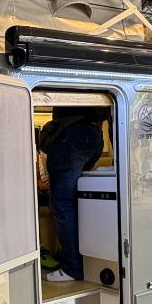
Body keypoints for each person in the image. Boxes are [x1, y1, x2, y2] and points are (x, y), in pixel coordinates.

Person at [39, 107, 105, 282]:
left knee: (62, 204)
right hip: (95, 135)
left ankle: (72, 268)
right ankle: (85, 261)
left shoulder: (70, 121)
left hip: (70, 135)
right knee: (77, 202)